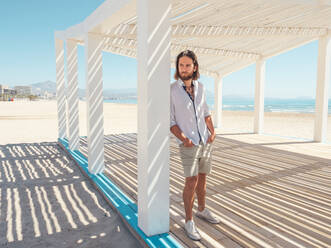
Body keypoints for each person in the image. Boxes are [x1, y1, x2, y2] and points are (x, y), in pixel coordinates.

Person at [170, 50, 220, 241]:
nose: (184, 69)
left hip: (205, 140)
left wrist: (212, 131)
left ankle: (202, 210)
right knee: (191, 181)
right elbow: (171, 121)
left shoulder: (201, 87)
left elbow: (205, 112)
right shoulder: (172, 90)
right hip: (188, 143)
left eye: (187, 65)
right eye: (181, 65)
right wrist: (184, 139)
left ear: (195, 67)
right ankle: (189, 221)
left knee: (202, 178)